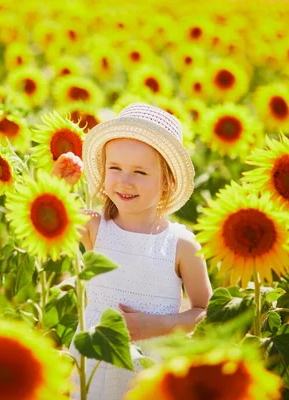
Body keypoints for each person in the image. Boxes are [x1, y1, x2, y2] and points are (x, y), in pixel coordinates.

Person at [51, 103, 213, 400]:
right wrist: (56, 184)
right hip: (96, 365)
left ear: (167, 183)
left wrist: (155, 325)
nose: (125, 181)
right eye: (115, 168)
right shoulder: (94, 227)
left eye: (140, 172)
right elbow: (49, 219)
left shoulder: (180, 245)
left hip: (153, 371)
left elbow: (206, 312)